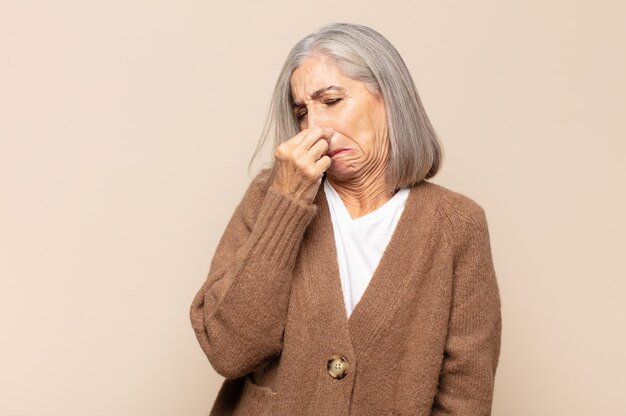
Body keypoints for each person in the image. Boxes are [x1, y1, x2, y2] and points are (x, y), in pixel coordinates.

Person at [190, 22, 502, 415]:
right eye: (302, 112)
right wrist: (285, 204)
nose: (314, 127)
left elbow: (465, 395)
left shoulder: (456, 225)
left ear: (390, 97)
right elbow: (228, 350)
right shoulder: (270, 197)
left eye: (332, 101)